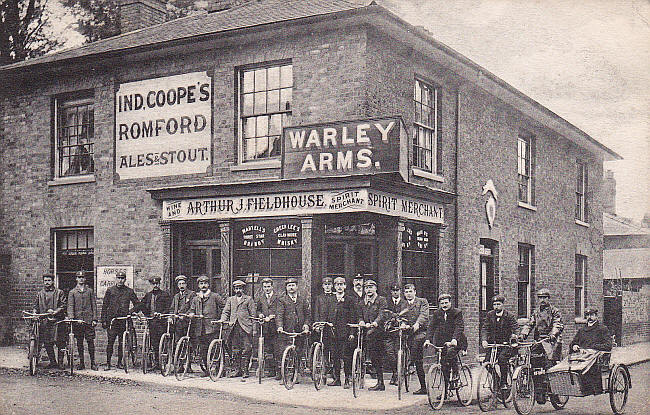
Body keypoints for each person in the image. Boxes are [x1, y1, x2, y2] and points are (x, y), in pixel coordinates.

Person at [101, 271, 140, 370]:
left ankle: (119, 363)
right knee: (110, 342)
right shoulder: (110, 290)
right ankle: (108, 363)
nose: (120, 280)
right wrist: (104, 320)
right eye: (118, 278)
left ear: (125, 280)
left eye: (122, 278)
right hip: (113, 321)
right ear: (116, 279)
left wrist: (130, 312)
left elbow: (138, 304)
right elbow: (105, 306)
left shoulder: (129, 291)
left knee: (121, 343)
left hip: (123, 321)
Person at [569, 307, 612, 395]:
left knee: (588, 366)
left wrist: (594, 347)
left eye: (591, 315)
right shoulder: (582, 330)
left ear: (596, 316)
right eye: (587, 315)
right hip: (582, 356)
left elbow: (608, 345)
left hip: (596, 356)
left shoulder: (602, 329)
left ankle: (592, 389)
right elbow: (573, 342)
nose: (589, 317)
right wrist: (574, 346)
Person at [188, 275, 225, 375]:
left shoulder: (215, 296)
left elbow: (224, 308)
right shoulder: (196, 299)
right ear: (198, 286)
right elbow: (191, 309)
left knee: (215, 349)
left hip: (212, 327)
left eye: (205, 283)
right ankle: (207, 370)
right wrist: (191, 313)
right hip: (200, 328)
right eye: (201, 284)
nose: (203, 285)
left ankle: (219, 369)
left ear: (208, 285)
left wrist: (220, 319)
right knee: (203, 350)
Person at [425, 293, 467, 382]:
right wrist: (428, 339)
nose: (444, 305)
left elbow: (459, 327)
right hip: (442, 342)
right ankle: (445, 391)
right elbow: (431, 327)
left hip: (456, 340)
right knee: (444, 365)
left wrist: (454, 339)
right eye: (442, 303)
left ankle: (455, 372)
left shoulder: (457, 312)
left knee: (451, 353)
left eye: (446, 303)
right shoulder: (437, 313)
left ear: (450, 303)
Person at [276, 277, 311, 383]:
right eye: (289, 286)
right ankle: (285, 376)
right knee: (285, 354)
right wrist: (280, 326)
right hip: (287, 331)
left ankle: (296, 374)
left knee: (299, 352)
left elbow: (308, 315)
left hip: (300, 331)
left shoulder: (302, 300)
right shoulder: (282, 300)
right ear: (286, 288)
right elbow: (279, 315)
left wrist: (306, 325)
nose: (291, 288)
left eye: (293, 285)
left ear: (297, 287)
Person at [480, 294, 518, 388]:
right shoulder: (490, 315)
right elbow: (485, 328)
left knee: (502, 360)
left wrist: (514, 335)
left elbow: (515, 328)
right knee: (486, 363)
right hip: (494, 345)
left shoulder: (509, 316)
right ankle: (496, 378)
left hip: (506, 346)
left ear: (503, 305)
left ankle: (504, 382)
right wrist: (484, 340)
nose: (496, 307)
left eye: (498, 304)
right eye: (494, 304)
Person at [221, 280, 256, 380]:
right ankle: (237, 369)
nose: (238, 290)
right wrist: (223, 319)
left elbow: (253, 315)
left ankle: (245, 370)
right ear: (234, 289)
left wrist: (254, 329)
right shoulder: (230, 300)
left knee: (246, 348)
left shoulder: (249, 299)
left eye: (240, 288)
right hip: (234, 327)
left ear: (243, 289)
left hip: (245, 327)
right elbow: (226, 311)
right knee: (235, 348)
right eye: (236, 288)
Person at [519, 288, 564, 365]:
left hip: (551, 340)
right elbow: (530, 324)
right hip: (539, 340)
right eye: (540, 297)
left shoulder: (554, 311)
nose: (542, 300)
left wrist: (553, 334)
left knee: (550, 362)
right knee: (532, 359)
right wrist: (523, 335)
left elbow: (557, 324)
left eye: (544, 297)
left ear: (548, 298)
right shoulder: (536, 312)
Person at [358, 279, 388, 391]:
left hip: (379, 330)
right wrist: (361, 321)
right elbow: (360, 315)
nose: (369, 290)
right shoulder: (362, 303)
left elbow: (382, 314)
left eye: (371, 287)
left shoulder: (381, 300)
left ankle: (380, 382)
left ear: (375, 288)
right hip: (366, 330)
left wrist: (375, 323)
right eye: (366, 288)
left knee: (376, 354)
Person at [328, 276, 356, 388]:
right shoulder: (331, 299)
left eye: (341, 285)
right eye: (337, 285)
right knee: (335, 356)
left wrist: (352, 332)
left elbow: (353, 317)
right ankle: (337, 378)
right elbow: (328, 314)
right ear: (334, 287)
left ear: (345, 286)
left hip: (345, 333)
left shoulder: (350, 300)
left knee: (346, 356)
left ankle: (347, 379)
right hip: (333, 332)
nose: (339, 287)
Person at [34, 273, 67, 369]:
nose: (47, 282)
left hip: (57, 321)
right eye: (45, 281)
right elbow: (35, 306)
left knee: (61, 342)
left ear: (53, 281)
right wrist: (35, 312)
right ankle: (53, 362)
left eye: (49, 280)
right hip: (45, 322)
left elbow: (63, 305)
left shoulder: (59, 292)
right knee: (47, 342)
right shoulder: (40, 294)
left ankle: (60, 363)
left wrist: (55, 312)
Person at [67, 271, 98, 370]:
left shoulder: (90, 291)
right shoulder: (72, 292)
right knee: (79, 343)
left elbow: (94, 305)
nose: (81, 279)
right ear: (76, 279)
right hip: (78, 321)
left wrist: (94, 319)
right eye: (79, 277)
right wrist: (72, 318)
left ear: (85, 279)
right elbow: (70, 306)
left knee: (90, 342)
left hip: (88, 321)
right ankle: (82, 363)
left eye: (82, 277)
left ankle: (93, 363)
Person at [402, 283, 429, 395]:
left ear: (415, 292)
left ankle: (411, 363)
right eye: (406, 292)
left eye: (410, 291)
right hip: (408, 332)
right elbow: (400, 316)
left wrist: (417, 324)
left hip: (421, 331)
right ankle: (406, 364)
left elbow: (424, 315)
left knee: (416, 344)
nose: (408, 294)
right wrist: (403, 323)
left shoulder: (422, 302)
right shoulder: (403, 304)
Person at [139, 276, 172, 370]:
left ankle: (164, 363)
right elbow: (141, 305)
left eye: (157, 284)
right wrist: (135, 312)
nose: (155, 285)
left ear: (159, 284)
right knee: (154, 343)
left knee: (162, 342)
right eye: (154, 284)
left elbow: (169, 308)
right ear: (151, 285)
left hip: (162, 323)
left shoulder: (165, 295)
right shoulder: (148, 295)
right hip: (152, 323)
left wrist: (162, 314)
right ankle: (156, 363)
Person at [169, 274, 196, 372]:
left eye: (183, 283)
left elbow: (193, 307)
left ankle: (188, 365)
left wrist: (186, 314)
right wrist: (171, 316)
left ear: (186, 284)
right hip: (178, 324)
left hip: (188, 322)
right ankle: (179, 366)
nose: (181, 285)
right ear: (177, 285)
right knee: (177, 344)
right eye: (179, 284)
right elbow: (172, 308)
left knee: (188, 344)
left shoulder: (192, 294)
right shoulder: (176, 296)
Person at [256, 277, 281, 379]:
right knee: (268, 349)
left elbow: (281, 309)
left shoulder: (278, 296)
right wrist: (260, 315)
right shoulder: (260, 297)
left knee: (277, 349)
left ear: (272, 286)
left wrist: (273, 315)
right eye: (265, 287)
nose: (267, 289)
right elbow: (257, 310)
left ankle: (279, 371)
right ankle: (271, 370)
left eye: (268, 286)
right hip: (265, 327)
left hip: (276, 327)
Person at [314, 277, 336, 381]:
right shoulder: (319, 298)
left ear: (332, 286)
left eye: (329, 284)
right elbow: (316, 312)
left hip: (332, 327)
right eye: (325, 285)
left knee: (333, 349)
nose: (327, 286)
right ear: (323, 286)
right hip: (322, 326)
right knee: (322, 348)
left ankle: (334, 372)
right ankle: (323, 371)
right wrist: (317, 325)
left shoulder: (335, 297)